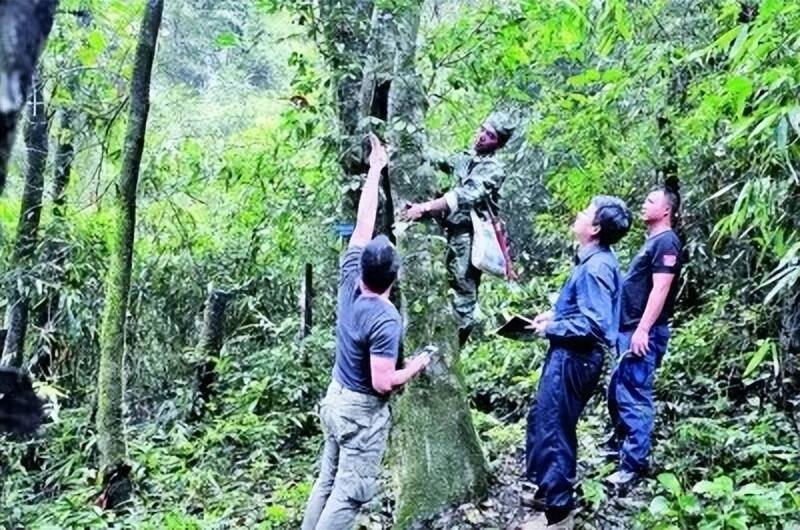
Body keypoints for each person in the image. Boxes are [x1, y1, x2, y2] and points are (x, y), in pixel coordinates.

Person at [301, 135, 431, 530]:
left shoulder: (349, 276)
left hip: (336, 399)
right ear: (394, 276)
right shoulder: (385, 319)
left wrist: (376, 168)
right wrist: (418, 365)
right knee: (349, 493)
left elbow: (363, 223)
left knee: (327, 480)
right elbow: (383, 382)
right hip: (359, 411)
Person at [523, 196, 632, 530]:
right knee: (542, 420)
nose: (578, 214)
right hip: (571, 356)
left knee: (554, 430)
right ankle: (546, 494)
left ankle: (558, 515)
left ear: (595, 228)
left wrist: (551, 328)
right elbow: (585, 312)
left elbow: (595, 324)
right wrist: (555, 315)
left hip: (575, 358)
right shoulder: (593, 260)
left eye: (585, 212)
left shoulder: (596, 268)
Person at [402, 113, 514, 346]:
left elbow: (465, 196)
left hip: (470, 235)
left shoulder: (493, 169)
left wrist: (424, 208)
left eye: (490, 136)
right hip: (449, 230)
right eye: (483, 130)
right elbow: (441, 159)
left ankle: (454, 345)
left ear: (498, 144)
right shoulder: (466, 158)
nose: (482, 137)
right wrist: (406, 146)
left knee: (463, 291)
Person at [605, 184, 682, 488]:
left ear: (666, 210)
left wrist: (643, 329)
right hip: (629, 329)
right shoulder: (654, 241)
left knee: (634, 397)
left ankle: (632, 468)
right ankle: (620, 450)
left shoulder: (666, 242)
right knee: (617, 393)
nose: (643, 203)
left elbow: (661, 288)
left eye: (650, 200)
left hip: (641, 332)